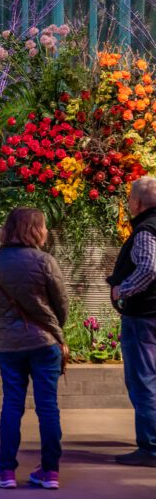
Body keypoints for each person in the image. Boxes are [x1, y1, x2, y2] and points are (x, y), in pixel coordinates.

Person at [0, 208, 68, 490]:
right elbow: (61, 304)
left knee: (11, 405)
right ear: (37, 230)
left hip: (9, 345)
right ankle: (50, 471)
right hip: (44, 343)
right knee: (48, 407)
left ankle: (6, 471)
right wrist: (55, 327)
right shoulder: (45, 261)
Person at [108, 175, 156, 467]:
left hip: (145, 317)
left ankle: (150, 447)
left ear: (136, 203)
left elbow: (149, 268)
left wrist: (121, 290)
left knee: (144, 380)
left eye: (129, 198)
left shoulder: (146, 230)